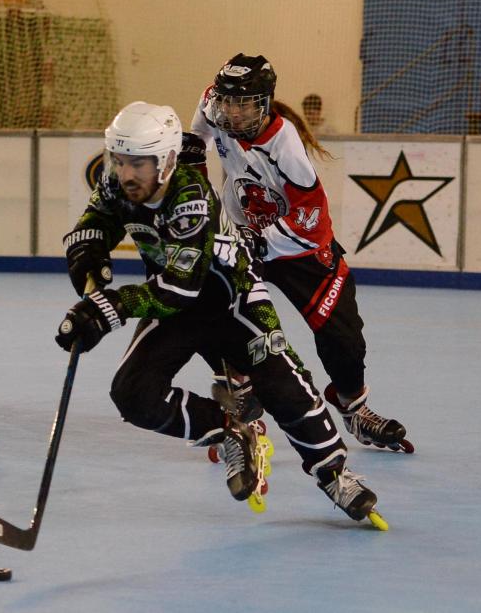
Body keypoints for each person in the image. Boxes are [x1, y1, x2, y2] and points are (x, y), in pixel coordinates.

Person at [57, 101, 383, 525]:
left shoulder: (189, 194)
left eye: (138, 163)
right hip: (174, 305)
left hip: (232, 298)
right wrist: (86, 253)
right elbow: (95, 221)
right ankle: (229, 433)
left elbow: (181, 285)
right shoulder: (117, 184)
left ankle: (334, 474)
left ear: (167, 160)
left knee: (282, 387)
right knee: (133, 394)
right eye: (118, 160)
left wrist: (107, 309)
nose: (126, 174)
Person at [190, 54, 412, 453]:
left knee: (343, 338)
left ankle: (354, 408)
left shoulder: (285, 145)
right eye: (227, 102)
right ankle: (241, 397)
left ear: (263, 104)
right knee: (209, 306)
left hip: (299, 248)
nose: (231, 113)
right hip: (243, 234)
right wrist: (196, 160)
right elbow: (202, 121)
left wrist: (261, 241)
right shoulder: (215, 104)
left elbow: (310, 218)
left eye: (243, 104)